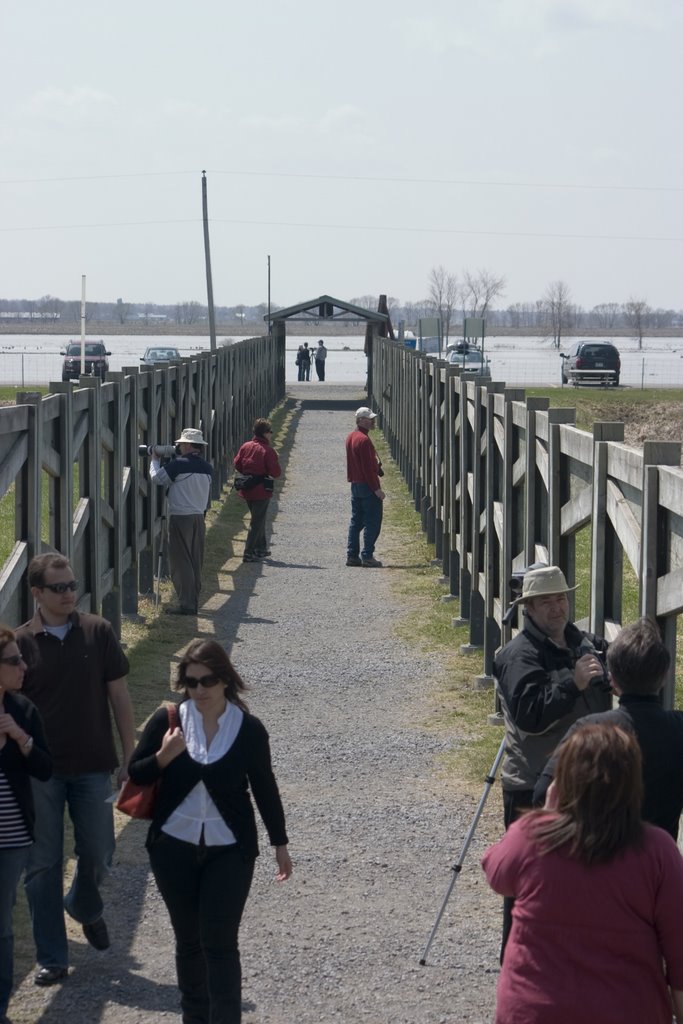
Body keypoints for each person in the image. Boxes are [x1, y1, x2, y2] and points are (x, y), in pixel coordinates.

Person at [128, 639, 292, 1024]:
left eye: (208, 680)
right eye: (191, 681)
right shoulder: (167, 720)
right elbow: (135, 774)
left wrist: (279, 843)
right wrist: (164, 756)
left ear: (225, 679)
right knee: (188, 943)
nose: (199, 689)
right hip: (173, 850)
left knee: (219, 944)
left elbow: (265, 787)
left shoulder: (249, 729)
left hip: (230, 851)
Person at [482, 722, 683, 1024]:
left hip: (535, 1009)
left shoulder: (533, 836)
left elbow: (496, 872)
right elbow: (679, 951)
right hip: (627, 1008)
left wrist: (547, 816)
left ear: (564, 779)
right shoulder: (657, 850)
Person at [16, 553, 136, 987]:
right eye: (59, 587)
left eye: (72, 585)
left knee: (101, 852)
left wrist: (129, 756)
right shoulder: (21, 645)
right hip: (39, 772)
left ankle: (84, 906)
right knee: (42, 865)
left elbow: (120, 697)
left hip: (92, 765)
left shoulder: (98, 630)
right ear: (37, 593)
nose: (69, 593)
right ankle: (52, 956)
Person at [493, 564, 610, 955]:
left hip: (585, 783)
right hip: (531, 785)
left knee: (584, 876)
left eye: (561, 597)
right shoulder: (516, 655)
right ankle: (517, 963)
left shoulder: (583, 644)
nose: (557, 607)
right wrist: (572, 683)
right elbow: (529, 717)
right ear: (528, 607)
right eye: (546, 601)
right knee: (529, 883)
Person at [534, 616, 683, 838]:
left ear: (611, 677)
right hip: (660, 861)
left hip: (598, 857)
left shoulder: (589, 728)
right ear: (664, 677)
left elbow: (542, 795)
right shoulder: (678, 728)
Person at [0, 626, 52, 1022]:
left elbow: (45, 768)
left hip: (12, 836)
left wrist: (22, 739)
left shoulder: (23, 711)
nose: (23, 666)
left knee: (1, 921)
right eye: (14, 661)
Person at [149, 427, 213, 615]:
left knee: (181, 560)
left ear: (186, 444)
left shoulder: (179, 465)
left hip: (181, 517)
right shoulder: (207, 467)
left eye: (180, 444)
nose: (178, 447)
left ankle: (187, 604)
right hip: (199, 517)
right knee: (195, 560)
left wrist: (154, 460)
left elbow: (157, 478)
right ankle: (192, 599)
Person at [233, 418, 281, 563]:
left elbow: (237, 463)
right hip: (261, 490)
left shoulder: (246, 446)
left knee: (258, 517)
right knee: (257, 521)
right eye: (270, 432)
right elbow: (276, 472)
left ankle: (261, 549)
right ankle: (248, 552)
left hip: (248, 488)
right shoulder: (268, 451)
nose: (271, 434)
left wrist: (248, 473)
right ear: (265, 433)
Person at [346, 406, 385, 568]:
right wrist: (377, 489)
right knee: (372, 522)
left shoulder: (351, 436)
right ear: (361, 420)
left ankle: (352, 555)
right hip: (367, 485)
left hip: (355, 484)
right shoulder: (363, 440)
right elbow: (368, 469)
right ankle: (367, 555)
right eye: (370, 419)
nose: (373, 421)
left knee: (356, 522)